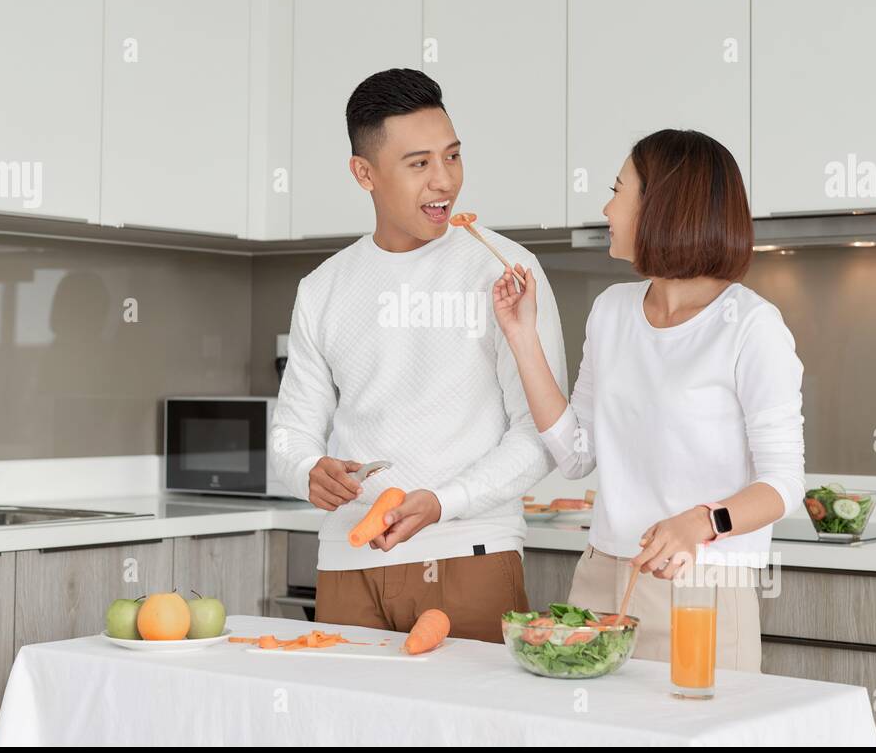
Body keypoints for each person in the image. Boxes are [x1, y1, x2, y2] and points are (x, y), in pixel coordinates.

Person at [269, 67, 568, 642]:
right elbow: (292, 431)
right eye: (419, 164)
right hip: (347, 562)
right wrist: (308, 470)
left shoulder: (506, 273)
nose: (444, 182)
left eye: (452, 157)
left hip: (469, 554)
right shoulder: (324, 287)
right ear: (364, 173)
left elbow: (539, 435)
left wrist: (444, 502)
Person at [491, 128, 805, 670]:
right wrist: (522, 336)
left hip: (700, 589)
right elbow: (576, 454)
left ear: (663, 206)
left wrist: (702, 522)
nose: (606, 206)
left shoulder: (752, 327)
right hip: (599, 577)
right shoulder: (612, 310)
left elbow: (784, 484)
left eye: (618, 190)